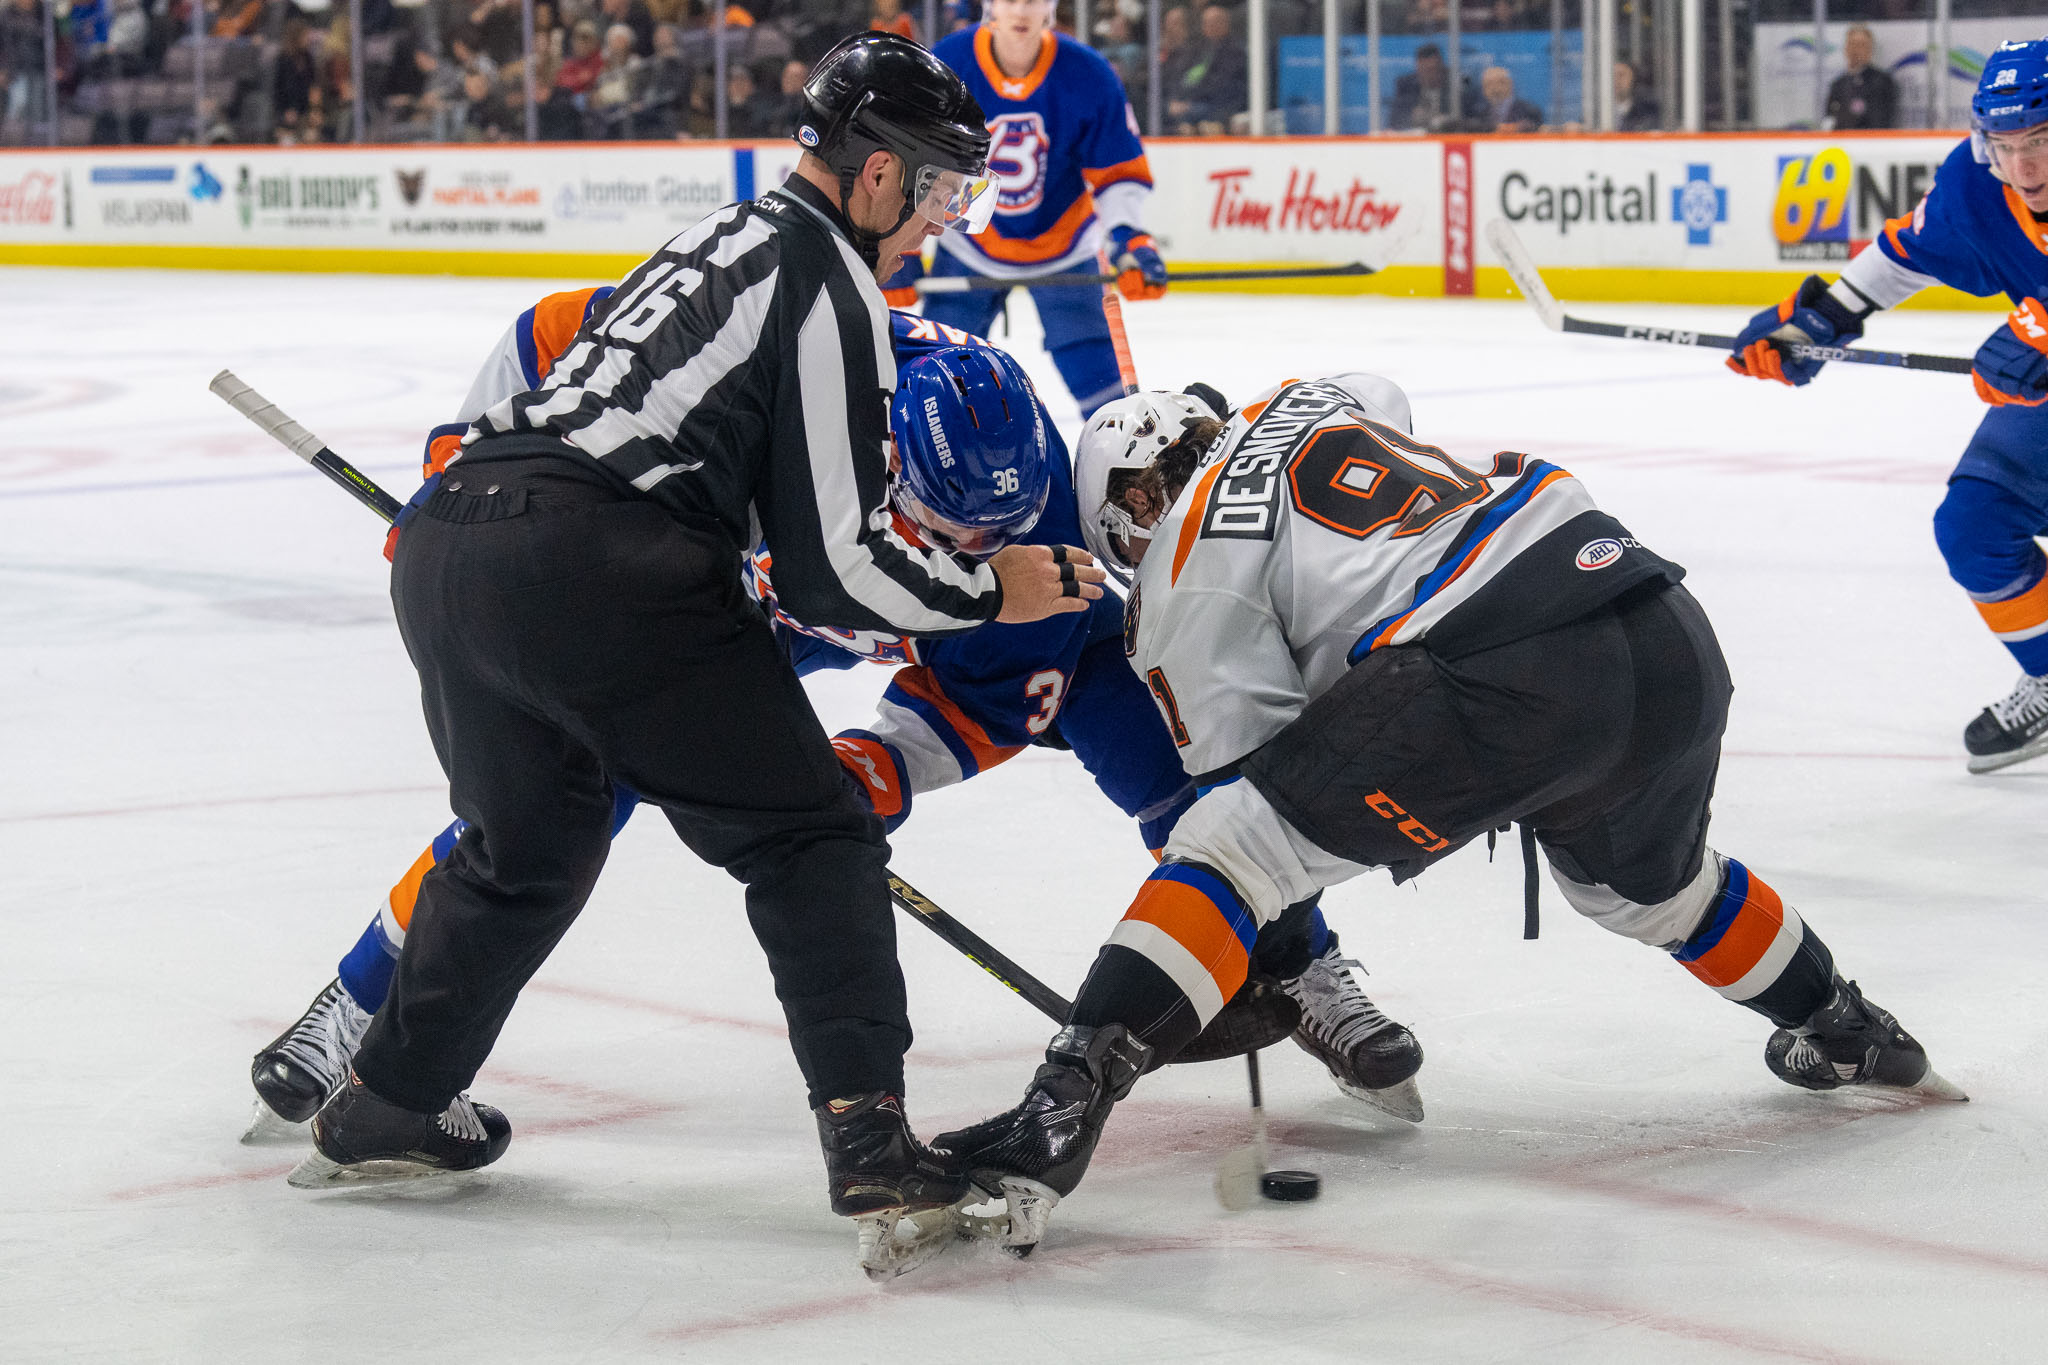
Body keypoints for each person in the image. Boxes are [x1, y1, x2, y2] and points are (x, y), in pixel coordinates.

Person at [249, 301, 1429, 1155]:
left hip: (858, 620)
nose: (972, 558)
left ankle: (1302, 968)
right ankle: (357, 1003)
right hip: (707, 596)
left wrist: (871, 768)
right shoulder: (809, 367)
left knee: (1187, 781)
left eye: (994, 538)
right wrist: (459, 473)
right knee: (559, 800)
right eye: (946, 532)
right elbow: (555, 331)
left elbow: (967, 708)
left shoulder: (1035, 571)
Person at [290, 33, 1104, 1267]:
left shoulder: (719, 236)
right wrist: (994, 589)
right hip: (598, 562)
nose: (940, 225)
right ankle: (874, 1151)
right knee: (814, 835)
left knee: (526, 851)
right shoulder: (831, 285)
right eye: (937, 190)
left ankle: (387, 1105)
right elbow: (834, 569)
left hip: (457, 539)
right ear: (877, 174)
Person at [928, 373, 1961, 1248]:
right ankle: (1844, 1025)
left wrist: (1244, 951)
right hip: (1652, 616)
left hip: (1498, 673)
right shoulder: (1306, 397)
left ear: (1127, 511)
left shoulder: (1176, 573)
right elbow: (1386, 408)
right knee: (1648, 889)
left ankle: (1057, 1113)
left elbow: (1245, 785)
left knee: (1228, 849)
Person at [1727, 38, 2048, 773]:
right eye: (2005, 146)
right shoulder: (1979, 182)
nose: (2023, 167)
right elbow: (1908, 252)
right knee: (1976, 524)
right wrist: (1818, 320)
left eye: (2039, 142)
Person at [889, 0, 1166, 420]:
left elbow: (1117, 170)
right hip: (969, 241)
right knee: (933, 379)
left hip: (1064, 246)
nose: (1020, 10)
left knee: (1105, 393)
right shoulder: (947, 64)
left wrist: (1129, 236)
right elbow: (916, 163)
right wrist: (904, 245)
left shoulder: (1088, 73)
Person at [1165, 4, 1247, 134]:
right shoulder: (1197, 48)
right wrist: (1176, 98)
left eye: (1214, 22)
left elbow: (1221, 85)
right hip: (1188, 102)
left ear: (1225, 24)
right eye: (1206, 23)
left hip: (1214, 105)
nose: (1209, 26)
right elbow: (1180, 75)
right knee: (1159, 109)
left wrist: (1188, 103)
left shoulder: (1234, 51)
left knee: (1190, 115)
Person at [1389, 42, 1476, 132]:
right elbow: (1395, 122)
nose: (1430, 75)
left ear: (1441, 66)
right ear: (1417, 68)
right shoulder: (1406, 86)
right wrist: (1412, 117)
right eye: (1425, 70)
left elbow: (1474, 119)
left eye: (1433, 69)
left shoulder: (1459, 84)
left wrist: (1450, 122)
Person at [1826, 25, 1897, 131]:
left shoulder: (1882, 82)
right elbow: (1829, 119)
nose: (1856, 50)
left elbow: (1881, 120)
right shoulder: (1838, 85)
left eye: (1861, 45)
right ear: (1846, 49)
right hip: (1842, 139)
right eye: (1852, 44)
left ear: (1870, 50)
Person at [1479, 65, 1541, 133]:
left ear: (1511, 84)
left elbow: (1538, 127)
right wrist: (1494, 128)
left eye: (1501, 82)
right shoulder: (1479, 112)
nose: (1495, 88)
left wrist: (1520, 128)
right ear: (1483, 89)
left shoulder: (1529, 110)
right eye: (1489, 84)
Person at [1613, 59, 1659, 132]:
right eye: (1612, 75)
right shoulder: (1597, 112)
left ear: (1633, 79)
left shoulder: (1647, 112)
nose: (1616, 80)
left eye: (1621, 75)